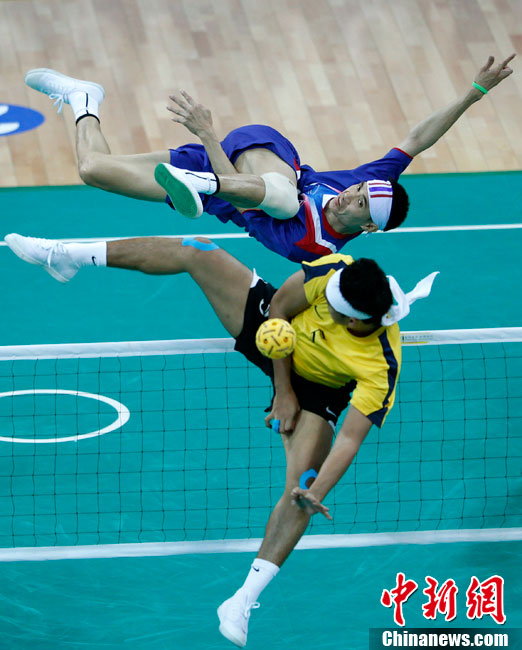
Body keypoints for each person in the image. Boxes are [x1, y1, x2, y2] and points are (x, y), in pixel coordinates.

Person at [4, 231, 437, 647]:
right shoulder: (333, 273)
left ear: (354, 319)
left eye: (336, 309)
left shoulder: (381, 365)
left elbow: (350, 440)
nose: (328, 301)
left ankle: (242, 600)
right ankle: (67, 256)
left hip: (320, 390)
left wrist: (318, 491)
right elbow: (279, 308)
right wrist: (282, 391)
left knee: (300, 491)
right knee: (197, 249)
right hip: (275, 336)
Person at [24, 55, 515, 262]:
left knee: (93, 170)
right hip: (266, 156)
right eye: (360, 188)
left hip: (224, 187)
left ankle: (84, 99)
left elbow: (246, 205)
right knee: (285, 196)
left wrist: (208, 138)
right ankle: (201, 186)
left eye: (361, 202)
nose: (351, 193)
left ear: (367, 227)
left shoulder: (312, 246)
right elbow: (417, 139)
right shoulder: (367, 184)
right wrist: (474, 93)